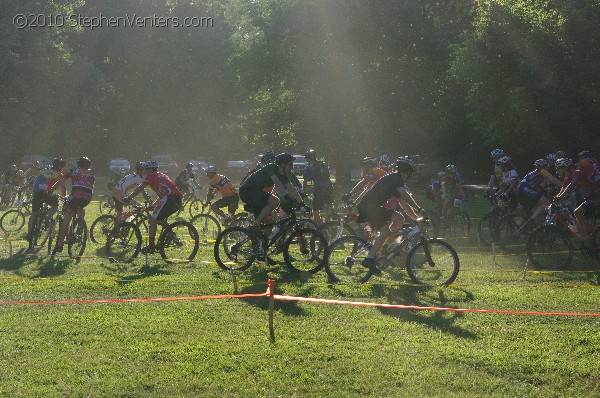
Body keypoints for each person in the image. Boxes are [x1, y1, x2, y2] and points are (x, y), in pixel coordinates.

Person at [357, 156, 425, 273]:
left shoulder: (394, 181)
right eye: (411, 173)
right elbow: (405, 195)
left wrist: (417, 218)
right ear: (407, 171)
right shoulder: (396, 178)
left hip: (374, 207)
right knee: (385, 231)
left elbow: (404, 206)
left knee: (399, 218)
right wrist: (419, 209)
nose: (411, 176)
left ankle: (386, 248)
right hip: (369, 207)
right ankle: (369, 259)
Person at [124, 160, 183, 254]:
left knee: (152, 219)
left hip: (169, 199)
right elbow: (163, 194)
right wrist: (153, 205)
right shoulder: (162, 175)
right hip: (177, 199)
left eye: (146, 170)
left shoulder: (151, 175)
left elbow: (140, 188)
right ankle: (171, 235)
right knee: (159, 219)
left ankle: (151, 246)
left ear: (150, 170)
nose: (145, 172)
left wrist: (129, 197)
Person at [239, 153, 304, 226]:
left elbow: (291, 188)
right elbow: (277, 182)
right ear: (282, 165)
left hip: (256, 192)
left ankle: (265, 236)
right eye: (290, 165)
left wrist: (301, 203)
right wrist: (286, 197)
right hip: (247, 191)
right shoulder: (271, 167)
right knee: (275, 201)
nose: (292, 168)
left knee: (269, 221)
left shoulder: (283, 174)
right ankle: (256, 224)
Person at [50, 157, 95, 255]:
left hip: (75, 196)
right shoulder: (92, 173)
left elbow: (62, 181)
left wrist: (52, 188)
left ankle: (60, 244)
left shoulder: (74, 170)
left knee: (67, 218)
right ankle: (80, 223)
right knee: (80, 207)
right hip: (87, 197)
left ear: (78, 164)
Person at [554, 157, 600, 248]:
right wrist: (555, 200)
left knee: (577, 212)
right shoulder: (567, 178)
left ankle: (588, 238)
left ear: (565, 168)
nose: (556, 171)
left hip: (596, 196)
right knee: (579, 220)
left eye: (558, 168)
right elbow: (563, 189)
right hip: (590, 197)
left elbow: (572, 184)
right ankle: (591, 243)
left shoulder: (576, 173)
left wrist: (560, 197)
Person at [26, 158, 66, 251]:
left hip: (36, 192)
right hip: (46, 192)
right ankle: (47, 219)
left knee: (34, 213)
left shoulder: (44, 171)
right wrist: (64, 198)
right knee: (55, 206)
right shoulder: (59, 174)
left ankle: (29, 233)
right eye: (62, 168)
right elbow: (63, 187)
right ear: (60, 167)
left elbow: (37, 183)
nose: (63, 169)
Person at [302, 149, 334, 224]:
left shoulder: (309, 167)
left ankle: (319, 225)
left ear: (308, 158)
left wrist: (303, 192)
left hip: (319, 189)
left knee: (315, 209)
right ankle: (329, 220)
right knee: (327, 204)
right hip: (329, 187)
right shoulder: (322, 165)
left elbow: (305, 182)